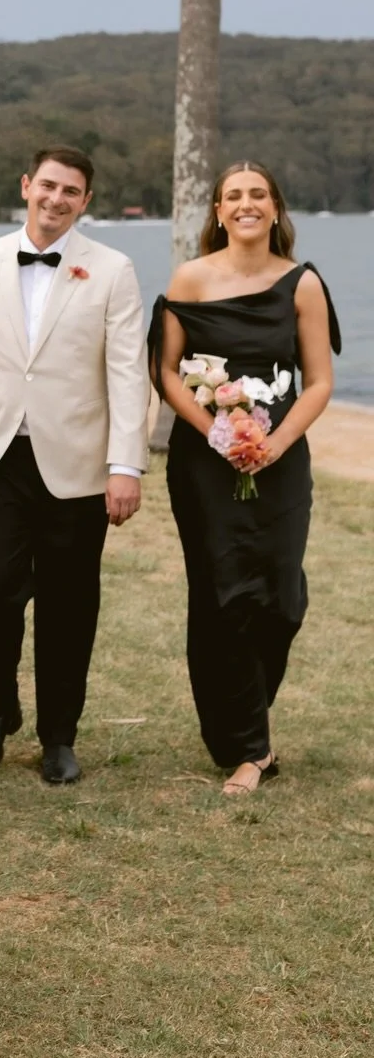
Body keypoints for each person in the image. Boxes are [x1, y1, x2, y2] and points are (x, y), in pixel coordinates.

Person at [0, 146, 148, 787]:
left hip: (79, 463)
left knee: (69, 601)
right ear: (27, 185)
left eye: (72, 192)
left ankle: (59, 734)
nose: (57, 200)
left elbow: (126, 374)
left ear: (85, 202)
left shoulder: (113, 270)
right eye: (49, 186)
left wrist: (126, 465)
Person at [151, 162, 338, 795]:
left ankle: (245, 723)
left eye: (259, 194)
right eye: (234, 196)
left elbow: (319, 382)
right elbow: (168, 370)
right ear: (219, 210)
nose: (247, 203)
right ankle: (250, 746)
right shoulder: (192, 278)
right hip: (206, 462)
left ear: (277, 209)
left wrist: (275, 443)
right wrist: (216, 431)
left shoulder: (302, 284)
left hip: (280, 463)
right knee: (222, 596)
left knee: (280, 600)